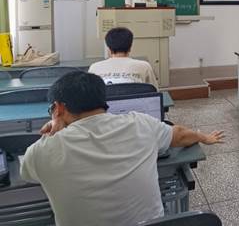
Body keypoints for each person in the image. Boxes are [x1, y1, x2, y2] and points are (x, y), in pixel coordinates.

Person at [20, 72, 224, 226]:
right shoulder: (140, 123)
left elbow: (26, 174)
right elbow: (179, 135)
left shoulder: (42, 152)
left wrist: (52, 132)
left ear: (58, 108)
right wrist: (204, 137)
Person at [89, 27, 158, 88]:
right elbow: (154, 91)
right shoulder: (144, 66)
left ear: (109, 49)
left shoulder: (94, 68)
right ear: (130, 48)